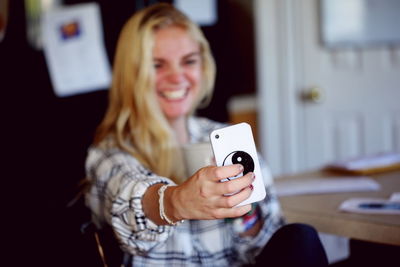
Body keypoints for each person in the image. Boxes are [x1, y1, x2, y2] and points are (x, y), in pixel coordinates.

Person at [85, 3, 328, 266]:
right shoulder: (110, 154)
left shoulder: (225, 136)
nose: (177, 77)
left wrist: (243, 210)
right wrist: (175, 202)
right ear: (131, 74)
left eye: (188, 61)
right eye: (157, 65)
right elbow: (129, 199)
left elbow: (265, 245)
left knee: (300, 238)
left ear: (204, 66)